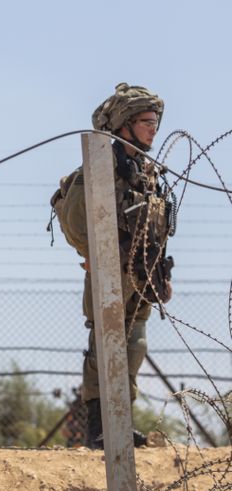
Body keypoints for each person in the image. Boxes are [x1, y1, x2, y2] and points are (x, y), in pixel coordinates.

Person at [51, 83, 174, 449]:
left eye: (155, 122)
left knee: (134, 346)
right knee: (105, 344)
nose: (153, 129)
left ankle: (120, 420)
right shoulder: (101, 165)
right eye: (147, 122)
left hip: (142, 273)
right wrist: (93, 253)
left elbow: (156, 225)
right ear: (124, 123)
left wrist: (162, 273)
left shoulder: (145, 170)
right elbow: (74, 217)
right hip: (109, 270)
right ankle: (98, 426)